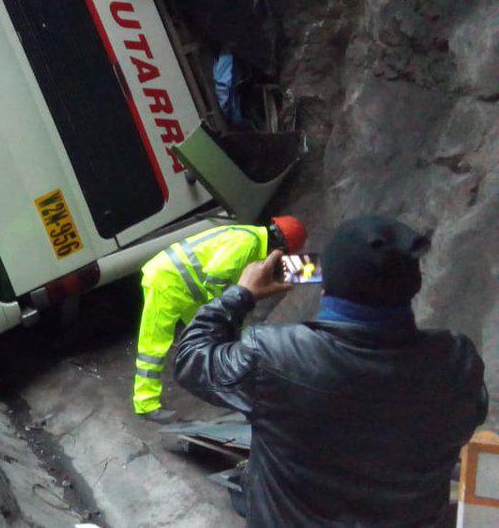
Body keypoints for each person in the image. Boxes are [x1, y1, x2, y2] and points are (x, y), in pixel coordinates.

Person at [175, 216, 487, 526]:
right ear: (413, 286)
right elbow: (472, 415)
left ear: (324, 287)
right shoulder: (457, 362)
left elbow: (191, 358)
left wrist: (241, 294)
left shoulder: (272, 358)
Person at [132, 216, 306, 423]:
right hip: (166, 281)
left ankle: (228, 384)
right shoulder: (246, 243)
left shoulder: (249, 237)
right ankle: (145, 403)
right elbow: (215, 276)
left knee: (213, 337)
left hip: (188, 287)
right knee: (153, 347)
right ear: (280, 249)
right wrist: (229, 306)